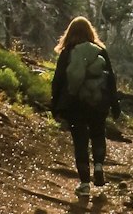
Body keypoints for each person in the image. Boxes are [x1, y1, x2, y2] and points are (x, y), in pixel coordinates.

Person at [51, 15, 121, 196]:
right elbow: (111, 79)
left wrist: (56, 105)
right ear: (91, 32)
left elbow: (58, 80)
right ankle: (98, 166)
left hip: (76, 105)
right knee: (98, 135)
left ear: (70, 32)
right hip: (99, 104)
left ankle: (84, 184)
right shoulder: (100, 51)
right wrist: (114, 104)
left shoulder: (67, 52)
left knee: (80, 142)